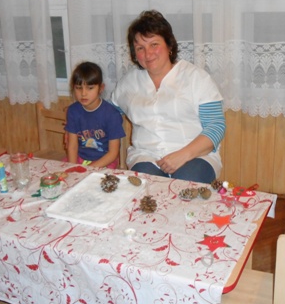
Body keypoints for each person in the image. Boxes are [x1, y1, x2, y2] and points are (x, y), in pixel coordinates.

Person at [110, 10, 225, 183]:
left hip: (196, 156)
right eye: (140, 48)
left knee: (185, 185)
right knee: (148, 187)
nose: (148, 54)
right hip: (146, 156)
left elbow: (216, 127)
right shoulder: (128, 83)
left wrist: (182, 155)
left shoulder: (196, 78)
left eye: (154, 44)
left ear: (169, 45)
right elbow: (108, 113)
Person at [65, 61, 125, 169]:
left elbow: (113, 153)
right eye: (78, 88)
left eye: (90, 88)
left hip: (105, 161)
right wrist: (73, 168)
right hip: (80, 159)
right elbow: (72, 146)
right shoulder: (73, 111)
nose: (83, 93)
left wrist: (88, 169)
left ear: (101, 88)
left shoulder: (112, 115)